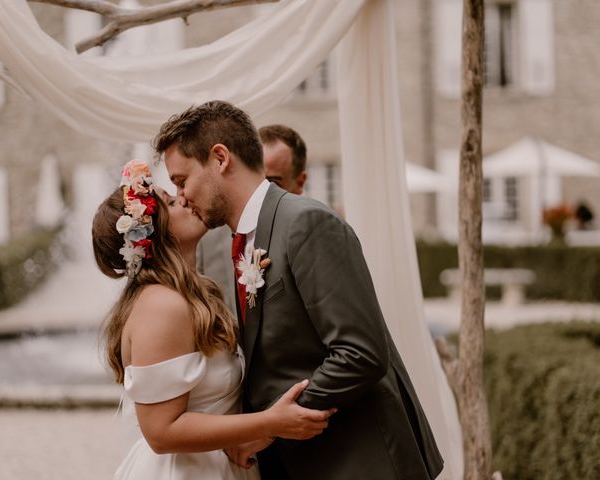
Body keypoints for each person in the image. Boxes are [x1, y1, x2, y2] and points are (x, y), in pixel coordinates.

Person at [154, 101, 444, 480]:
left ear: (220, 158)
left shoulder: (307, 223)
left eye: (181, 180)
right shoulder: (236, 240)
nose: (182, 195)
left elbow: (361, 352)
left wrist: (270, 427)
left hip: (359, 460)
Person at [92, 159, 334, 480]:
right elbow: (162, 432)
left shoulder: (193, 293)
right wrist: (272, 422)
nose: (183, 198)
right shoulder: (162, 305)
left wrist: (244, 435)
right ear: (149, 236)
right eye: (169, 202)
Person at [197, 124, 308, 310]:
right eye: (256, 180)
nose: (260, 191)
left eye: (272, 182)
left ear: (300, 182)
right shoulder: (207, 240)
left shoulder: (308, 234)